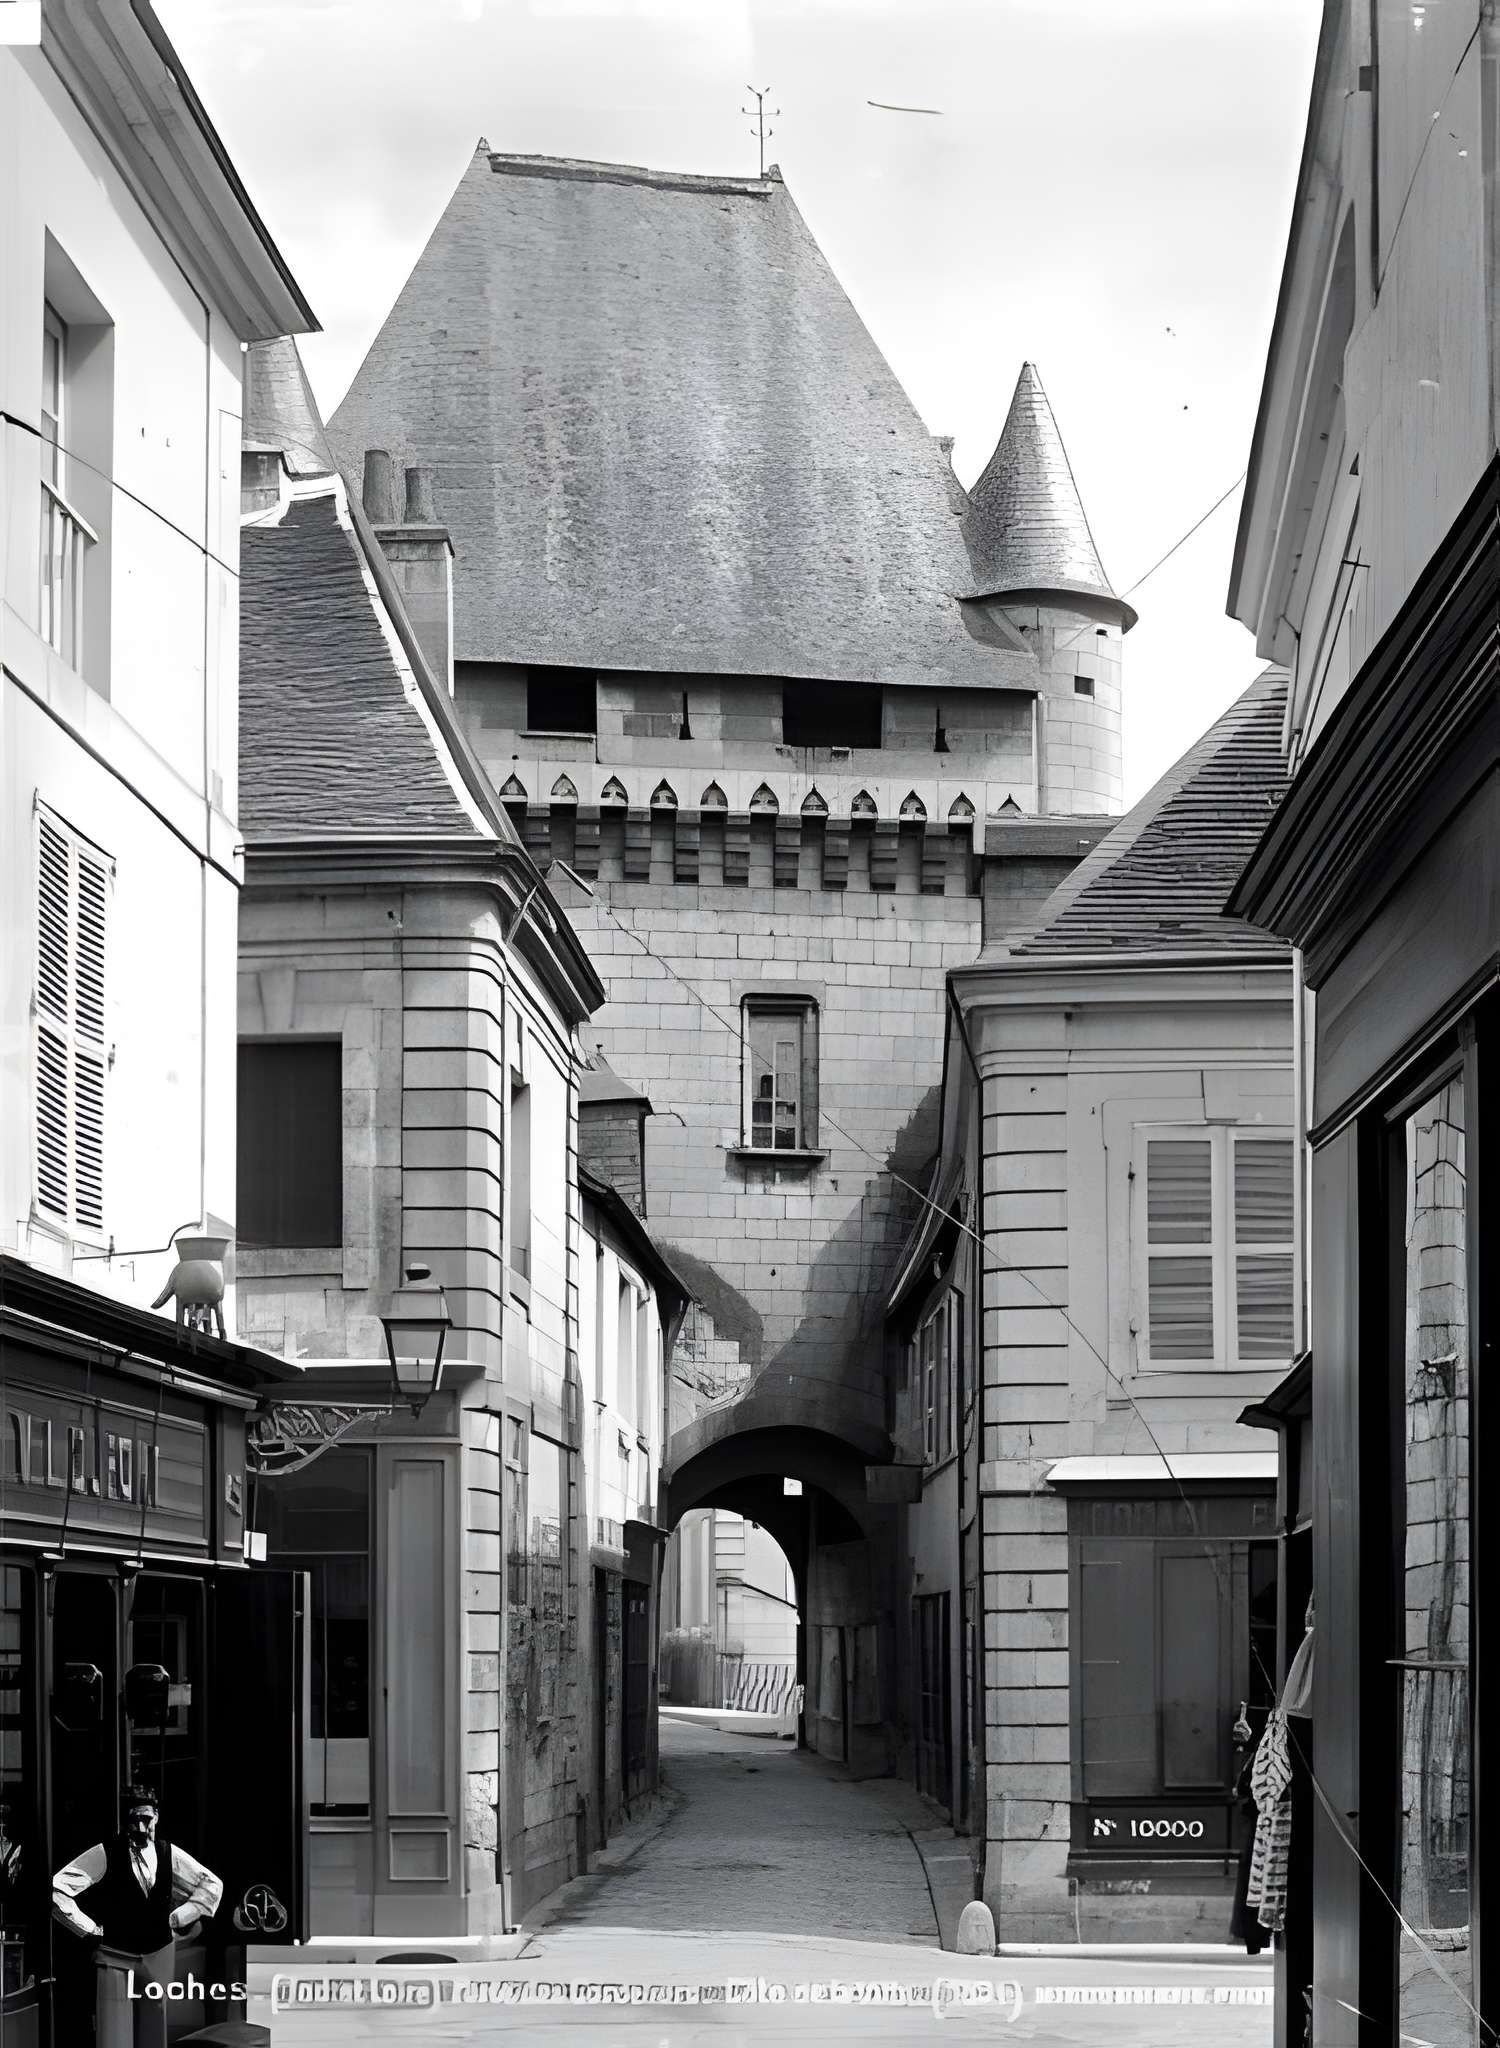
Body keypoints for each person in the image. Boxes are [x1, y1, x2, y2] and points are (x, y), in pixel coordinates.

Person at [52, 1784, 222, 2048]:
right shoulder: (105, 1852)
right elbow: (56, 1890)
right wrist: (88, 1929)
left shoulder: (169, 1853)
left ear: (157, 1816)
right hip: (115, 1956)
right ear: (125, 1820)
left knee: (155, 2034)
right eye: (134, 1820)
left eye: (147, 1819)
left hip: (158, 1955)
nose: (141, 1828)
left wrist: (178, 1917)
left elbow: (212, 1885)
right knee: (114, 2037)